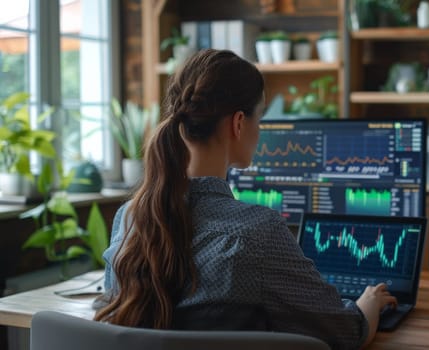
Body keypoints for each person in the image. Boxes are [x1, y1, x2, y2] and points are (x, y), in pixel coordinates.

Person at [94, 49, 397, 349]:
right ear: (238, 123)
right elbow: (345, 334)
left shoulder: (129, 217)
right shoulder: (257, 232)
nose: (260, 130)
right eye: (260, 118)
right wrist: (367, 304)